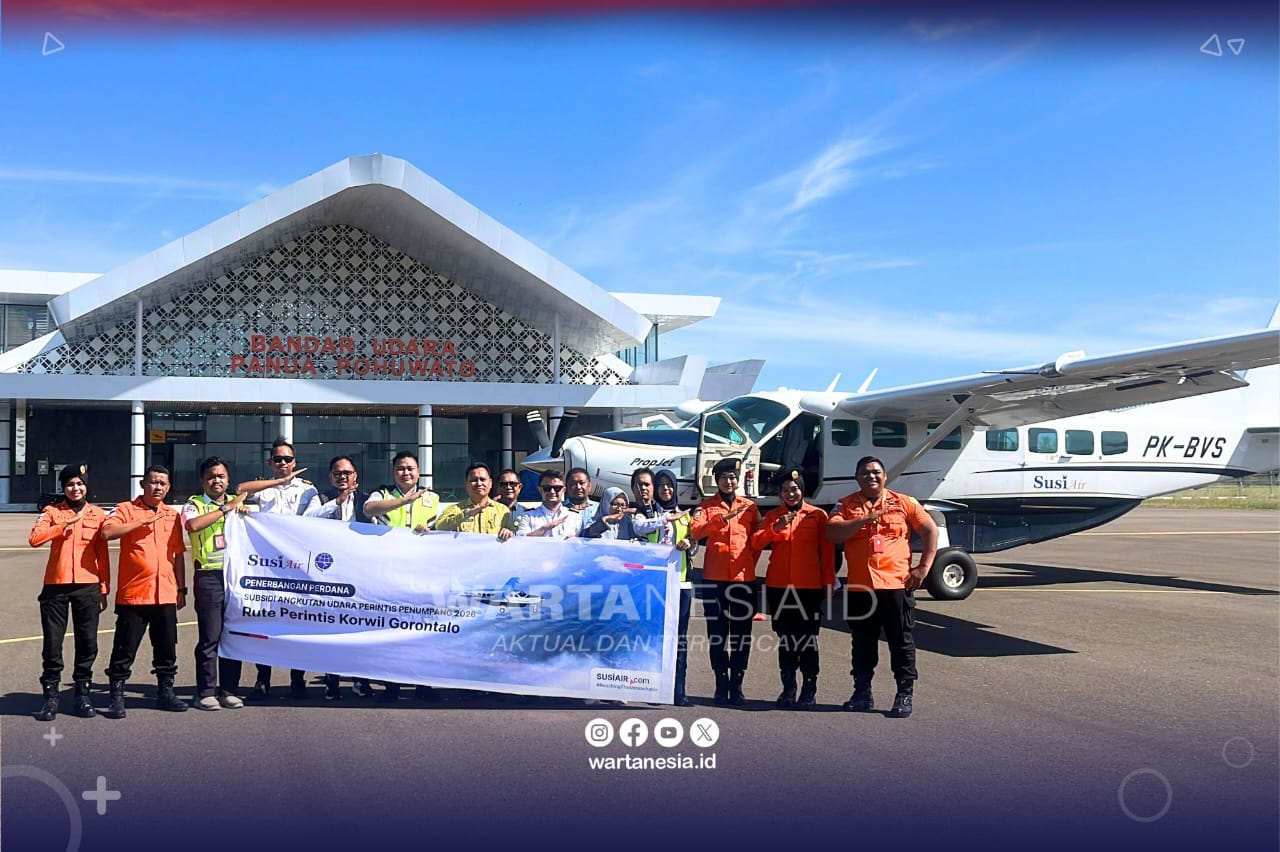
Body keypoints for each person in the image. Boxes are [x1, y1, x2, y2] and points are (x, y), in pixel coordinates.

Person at [827, 455, 937, 718]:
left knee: (901, 643)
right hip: (860, 589)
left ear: (885, 476)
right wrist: (864, 520)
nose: (871, 476)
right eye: (865, 473)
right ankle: (862, 692)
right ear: (857, 478)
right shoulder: (845, 505)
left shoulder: (903, 502)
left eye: (876, 472)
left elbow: (930, 530)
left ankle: (904, 693)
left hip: (896, 585)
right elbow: (832, 534)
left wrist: (923, 568)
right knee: (862, 644)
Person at [101, 465, 189, 718]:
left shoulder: (172, 516)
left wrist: (181, 588)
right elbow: (107, 532)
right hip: (135, 594)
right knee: (124, 648)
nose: (158, 487)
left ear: (169, 487)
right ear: (143, 484)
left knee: (166, 648)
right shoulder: (125, 509)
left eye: (163, 483)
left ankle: (165, 692)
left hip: (165, 593)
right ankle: (116, 696)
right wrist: (140, 521)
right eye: (153, 482)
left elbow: (178, 554)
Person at [236, 438, 318, 700]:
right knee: (264, 624)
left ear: (295, 462)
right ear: (270, 462)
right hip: (267, 568)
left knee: (300, 624)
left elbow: (313, 521)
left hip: (298, 568)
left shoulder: (309, 491)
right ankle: (263, 678)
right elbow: (240, 490)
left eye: (288, 459)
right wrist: (277, 483)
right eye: (278, 459)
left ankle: (297, 679)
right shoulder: (262, 489)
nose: (283, 463)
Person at [28, 463, 110, 721]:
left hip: (87, 586)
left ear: (87, 486)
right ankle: (51, 697)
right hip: (56, 587)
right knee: (53, 644)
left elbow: (103, 554)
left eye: (80, 484)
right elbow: (34, 539)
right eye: (70, 484)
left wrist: (104, 587)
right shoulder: (52, 512)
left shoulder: (98, 515)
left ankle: (82, 695)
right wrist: (64, 525)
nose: (76, 488)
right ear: (63, 487)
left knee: (87, 642)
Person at [751, 469, 834, 709]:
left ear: (802, 490)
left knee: (807, 639)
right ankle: (788, 687)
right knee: (786, 639)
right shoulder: (773, 516)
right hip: (779, 587)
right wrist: (775, 527)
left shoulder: (817, 516)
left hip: (808, 588)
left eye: (794, 489)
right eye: (785, 490)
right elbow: (756, 542)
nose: (790, 494)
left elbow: (827, 554)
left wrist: (829, 583)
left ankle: (809, 687)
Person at [689, 457, 761, 706]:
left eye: (733, 477)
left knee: (742, 635)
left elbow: (757, 540)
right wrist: (722, 518)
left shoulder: (750, 507)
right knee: (717, 633)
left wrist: (749, 562)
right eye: (724, 478)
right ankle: (721, 683)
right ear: (717, 481)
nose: (729, 482)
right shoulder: (706, 506)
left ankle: (737, 684)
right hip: (714, 579)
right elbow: (696, 532)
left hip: (743, 579)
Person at [303, 455, 375, 700]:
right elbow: (305, 521)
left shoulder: (367, 500)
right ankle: (331, 682)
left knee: (360, 629)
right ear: (330, 477)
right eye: (337, 473)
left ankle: (360, 680)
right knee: (332, 630)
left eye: (347, 473)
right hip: (330, 574)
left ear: (355, 475)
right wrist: (337, 502)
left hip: (360, 574)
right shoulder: (319, 498)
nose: (343, 477)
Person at [181, 457, 249, 711]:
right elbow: (193, 525)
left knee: (233, 636)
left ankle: (230, 690)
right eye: (210, 476)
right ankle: (205, 692)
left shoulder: (238, 503)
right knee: (210, 636)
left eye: (220, 476)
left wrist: (243, 510)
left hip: (236, 578)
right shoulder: (195, 504)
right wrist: (224, 509)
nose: (216, 480)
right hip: (209, 576)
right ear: (202, 481)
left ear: (228, 480)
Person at [653, 467, 697, 707]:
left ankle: (679, 690)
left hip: (681, 582)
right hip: (655, 585)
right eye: (661, 486)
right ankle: (656, 689)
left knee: (679, 638)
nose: (665, 490)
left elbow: (695, 544)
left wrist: (689, 543)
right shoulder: (647, 515)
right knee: (657, 637)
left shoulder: (686, 516)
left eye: (669, 485)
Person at [434, 462, 516, 539]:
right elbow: (439, 526)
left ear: (490, 483)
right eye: (474, 480)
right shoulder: (455, 509)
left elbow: (513, 536)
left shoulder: (502, 510)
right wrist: (465, 515)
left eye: (483, 479)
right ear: (466, 485)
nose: (479, 483)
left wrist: (509, 533)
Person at [365, 451, 440, 534]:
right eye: (401, 469)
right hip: (388, 544)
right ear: (393, 472)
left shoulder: (432, 497)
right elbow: (368, 510)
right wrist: (405, 500)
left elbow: (442, 525)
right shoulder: (383, 493)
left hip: (421, 545)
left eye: (410, 469)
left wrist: (428, 530)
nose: (406, 473)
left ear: (418, 472)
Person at [516, 470, 585, 539]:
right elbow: (520, 541)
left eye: (557, 488)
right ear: (540, 490)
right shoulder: (528, 516)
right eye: (547, 488)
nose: (552, 492)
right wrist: (543, 529)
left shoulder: (575, 517)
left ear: (564, 490)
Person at [581, 487, 665, 541]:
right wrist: (606, 519)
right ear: (606, 503)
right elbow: (587, 535)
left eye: (622, 505)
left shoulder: (628, 522)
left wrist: (635, 541)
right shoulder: (594, 520)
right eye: (614, 504)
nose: (619, 509)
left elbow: (638, 538)